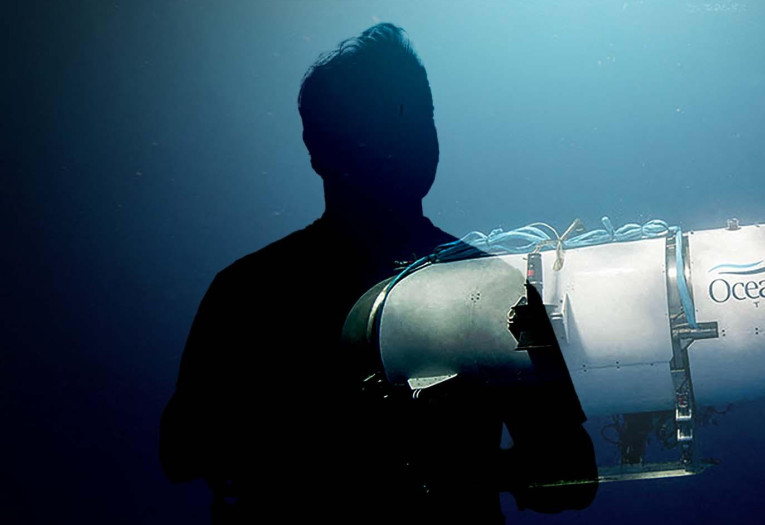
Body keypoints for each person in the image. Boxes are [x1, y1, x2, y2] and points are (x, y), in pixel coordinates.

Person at [160, 23, 596, 523]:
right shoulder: (493, 287)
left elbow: (573, 474)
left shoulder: (249, 288)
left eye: (419, 114)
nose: (410, 134)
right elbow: (570, 476)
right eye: (386, 119)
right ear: (319, 150)